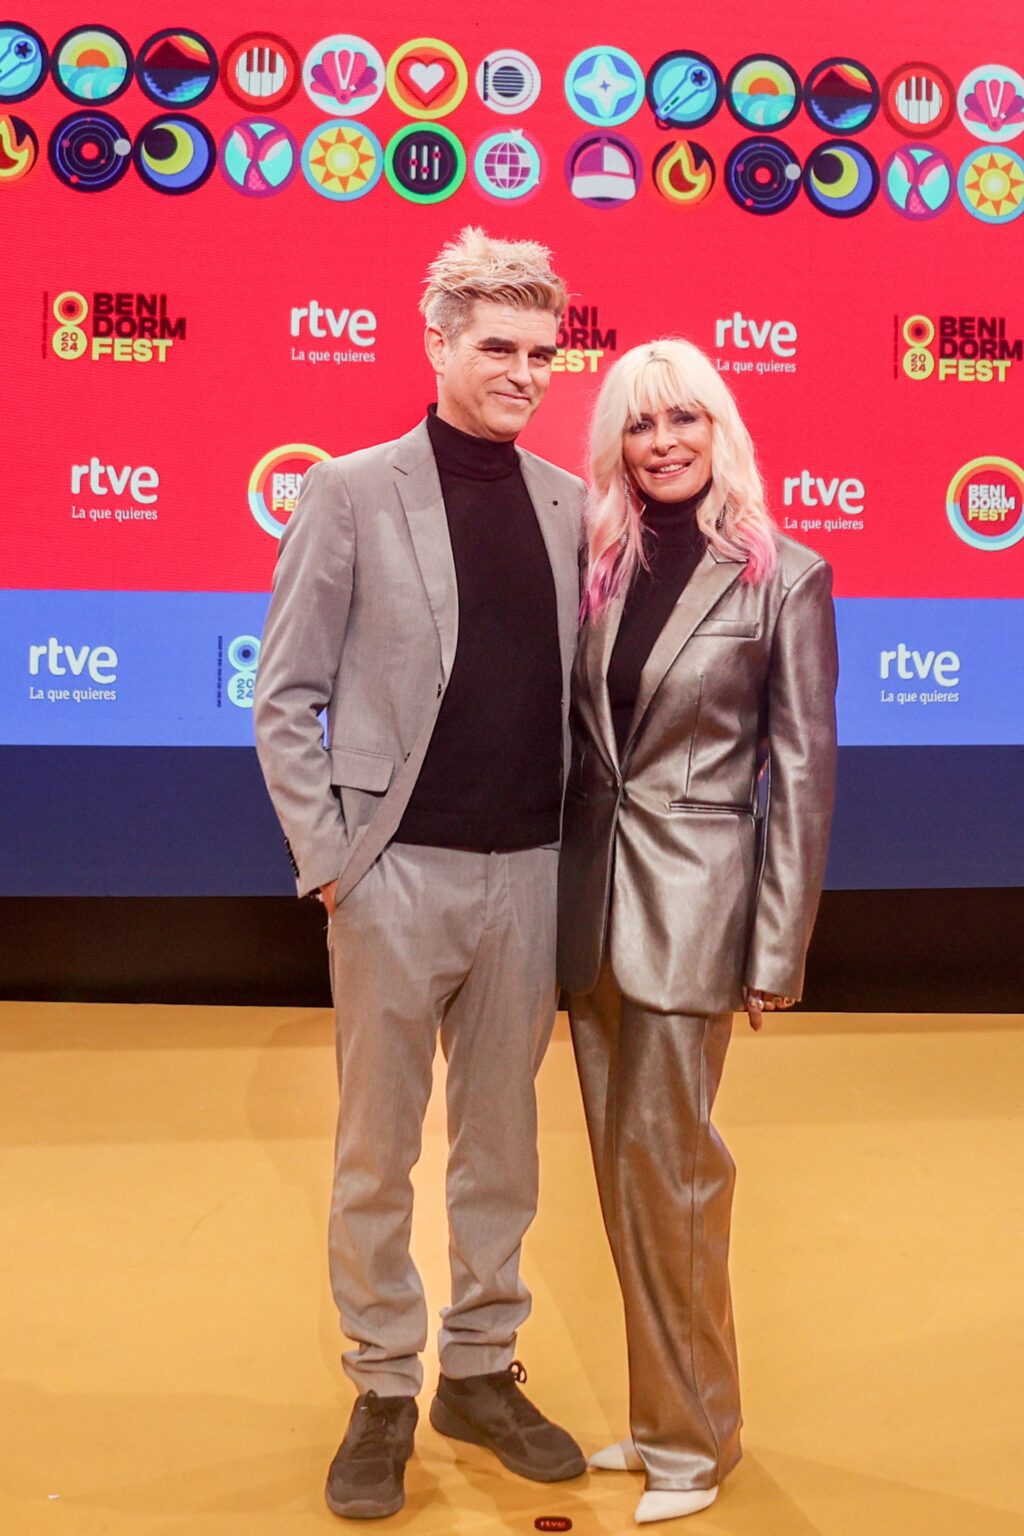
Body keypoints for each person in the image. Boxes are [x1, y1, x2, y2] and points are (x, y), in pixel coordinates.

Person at [253, 227, 588, 1520]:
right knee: (376, 1154)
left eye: (542, 354)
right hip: (392, 877)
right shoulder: (347, 491)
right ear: (436, 343)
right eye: (498, 347)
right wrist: (333, 863)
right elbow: (284, 696)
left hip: (532, 877)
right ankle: (384, 1385)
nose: (523, 373)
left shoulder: (569, 503)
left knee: (502, 1150)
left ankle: (481, 1371)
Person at [557, 338, 838, 1524]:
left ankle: (691, 1447)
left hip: (695, 916)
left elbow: (802, 776)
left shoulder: (786, 577)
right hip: (591, 915)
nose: (662, 442)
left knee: (673, 1182)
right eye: (638, 423)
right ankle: (671, 1415)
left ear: (720, 429)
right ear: (614, 444)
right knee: (627, 1185)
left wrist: (775, 950)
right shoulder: (596, 566)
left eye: (683, 418)